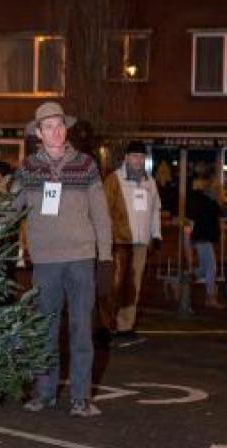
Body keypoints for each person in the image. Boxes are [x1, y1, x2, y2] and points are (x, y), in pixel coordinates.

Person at [16, 102, 113, 417]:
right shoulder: (28, 168)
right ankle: (44, 392)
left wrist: (106, 259)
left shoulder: (86, 165)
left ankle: (80, 398)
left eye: (59, 125)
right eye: (48, 127)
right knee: (45, 329)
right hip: (45, 262)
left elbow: (101, 215)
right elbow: (10, 209)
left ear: (65, 129)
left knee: (81, 329)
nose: (55, 131)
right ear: (39, 134)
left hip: (81, 259)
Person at [101, 140, 162, 347]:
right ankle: (106, 327)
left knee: (134, 287)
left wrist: (156, 234)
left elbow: (155, 211)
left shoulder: (150, 182)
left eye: (141, 157)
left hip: (141, 243)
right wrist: (105, 238)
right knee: (115, 286)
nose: (138, 160)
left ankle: (125, 327)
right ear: (126, 158)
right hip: (118, 241)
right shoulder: (114, 180)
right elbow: (103, 210)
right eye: (134, 156)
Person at [186, 173, 224, 309]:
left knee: (205, 268)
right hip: (203, 238)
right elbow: (198, 220)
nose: (219, 191)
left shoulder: (207, 201)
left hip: (202, 238)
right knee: (211, 267)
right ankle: (210, 297)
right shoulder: (207, 202)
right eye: (217, 189)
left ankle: (185, 279)